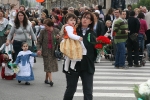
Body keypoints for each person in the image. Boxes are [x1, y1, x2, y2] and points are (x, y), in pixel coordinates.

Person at [63, 11, 97, 100]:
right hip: (73, 64)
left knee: (88, 92)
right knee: (71, 90)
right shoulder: (73, 30)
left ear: (91, 22)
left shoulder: (92, 33)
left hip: (87, 65)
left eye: (88, 18)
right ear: (80, 19)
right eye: (84, 17)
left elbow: (94, 50)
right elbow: (65, 40)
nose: (85, 19)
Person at [36, 19, 59, 86]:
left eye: (46, 26)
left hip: (53, 51)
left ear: (50, 25)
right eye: (44, 26)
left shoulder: (56, 31)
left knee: (49, 65)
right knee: (48, 65)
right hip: (45, 50)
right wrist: (39, 49)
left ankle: (46, 79)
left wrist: (58, 39)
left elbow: (60, 42)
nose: (45, 27)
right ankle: (51, 81)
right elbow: (39, 41)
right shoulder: (43, 32)